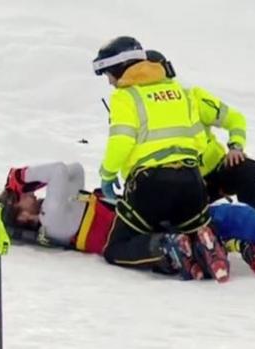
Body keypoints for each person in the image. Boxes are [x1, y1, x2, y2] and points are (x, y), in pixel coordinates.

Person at [0, 162, 255, 278]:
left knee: (230, 216)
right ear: (20, 216)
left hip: (141, 215)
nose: (30, 194)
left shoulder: (58, 209)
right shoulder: (52, 221)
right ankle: (189, 250)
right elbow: (62, 169)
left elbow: (72, 171)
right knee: (214, 223)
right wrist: (20, 174)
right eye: (21, 197)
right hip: (129, 232)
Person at [92, 36, 229, 282]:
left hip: (150, 185)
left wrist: (108, 174)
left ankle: (167, 247)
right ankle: (203, 245)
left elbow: (121, 141)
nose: (111, 82)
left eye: (109, 74)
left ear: (120, 68)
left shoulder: (127, 96)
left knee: (115, 248)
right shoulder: (181, 92)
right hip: (192, 183)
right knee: (188, 224)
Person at [146, 49, 255, 217]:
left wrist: (236, 147)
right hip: (179, 184)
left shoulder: (193, 97)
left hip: (215, 172)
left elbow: (235, 119)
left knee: (249, 172)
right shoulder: (138, 109)